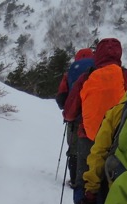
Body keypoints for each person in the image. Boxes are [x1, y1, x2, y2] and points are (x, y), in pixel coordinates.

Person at [63, 38, 127, 204]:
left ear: (99, 55)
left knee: (85, 179)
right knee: (108, 180)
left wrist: (72, 119)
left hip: (88, 137)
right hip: (117, 140)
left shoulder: (88, 77)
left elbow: (70, 112)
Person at [55, 48, 95, 187]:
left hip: (74, 118)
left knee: (73, 149)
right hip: (95, 117)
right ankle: (90, 182)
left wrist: (67, 109)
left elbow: (61, 97)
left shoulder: (71, 72)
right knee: (93, 149)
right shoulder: (99, 71)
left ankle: (74, 180)